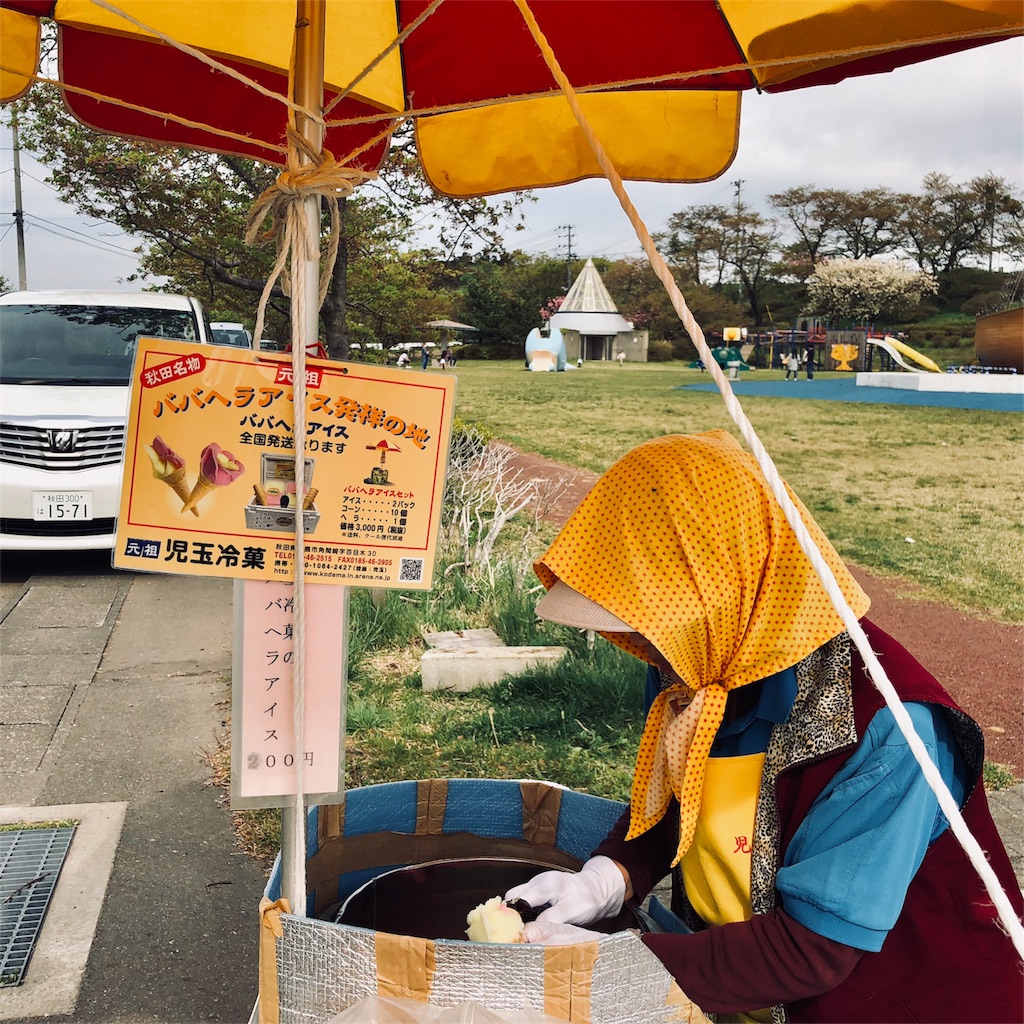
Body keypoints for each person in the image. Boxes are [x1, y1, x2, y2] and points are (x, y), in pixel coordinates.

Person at [506, 432, 1023, 1023]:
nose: (642, 646)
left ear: (724, 588)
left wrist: (628, 966)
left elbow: (812, 951)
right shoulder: (704, 659)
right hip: (741, 981)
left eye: (647, 622)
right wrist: (610, 876)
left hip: (898, 1001)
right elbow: (681, 795)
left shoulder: (891, 731)